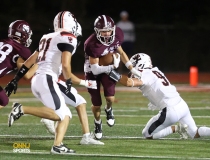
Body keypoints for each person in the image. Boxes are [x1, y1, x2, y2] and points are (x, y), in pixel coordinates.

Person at [5, 11, 101, 154]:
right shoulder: (68, 37)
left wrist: (15, 79)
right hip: (47, 79)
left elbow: (29, 61)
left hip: (41, 80)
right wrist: (72, 81)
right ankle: (23, 110)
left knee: (72, 108)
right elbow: (66, 65)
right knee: (62, 114)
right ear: (72, 23)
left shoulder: (46, 37)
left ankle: (71, 141)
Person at [108, 53, 210, 140]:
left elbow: (130, 82)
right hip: (182, 104)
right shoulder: (156, 71)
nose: (132, 70)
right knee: (195, 133)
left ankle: (177, 128)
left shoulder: (145, 74)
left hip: (170, 110)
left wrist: (112, 73)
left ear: (139, 65)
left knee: (147, 134)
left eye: (134, 66)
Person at [84, 15, 141, 140]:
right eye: (103, 31)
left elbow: (121, 52)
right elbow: (95, 69)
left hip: (107, 68)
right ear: (97, 31)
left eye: (108, 30)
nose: (106, 33)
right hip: (92, 71)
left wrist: (131, 68)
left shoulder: (117, 35)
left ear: (113, 29)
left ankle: (109, 109)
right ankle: (97, 123)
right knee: (96, 104)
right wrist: (112, 67)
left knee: (110, 98)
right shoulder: (91, 44)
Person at [0, 20, 36, 110]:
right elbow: (26, 75)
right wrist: (40, 63)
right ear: (23, 34)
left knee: (3, 100)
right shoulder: (22, 50)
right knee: (2, 101)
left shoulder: (2, 41)